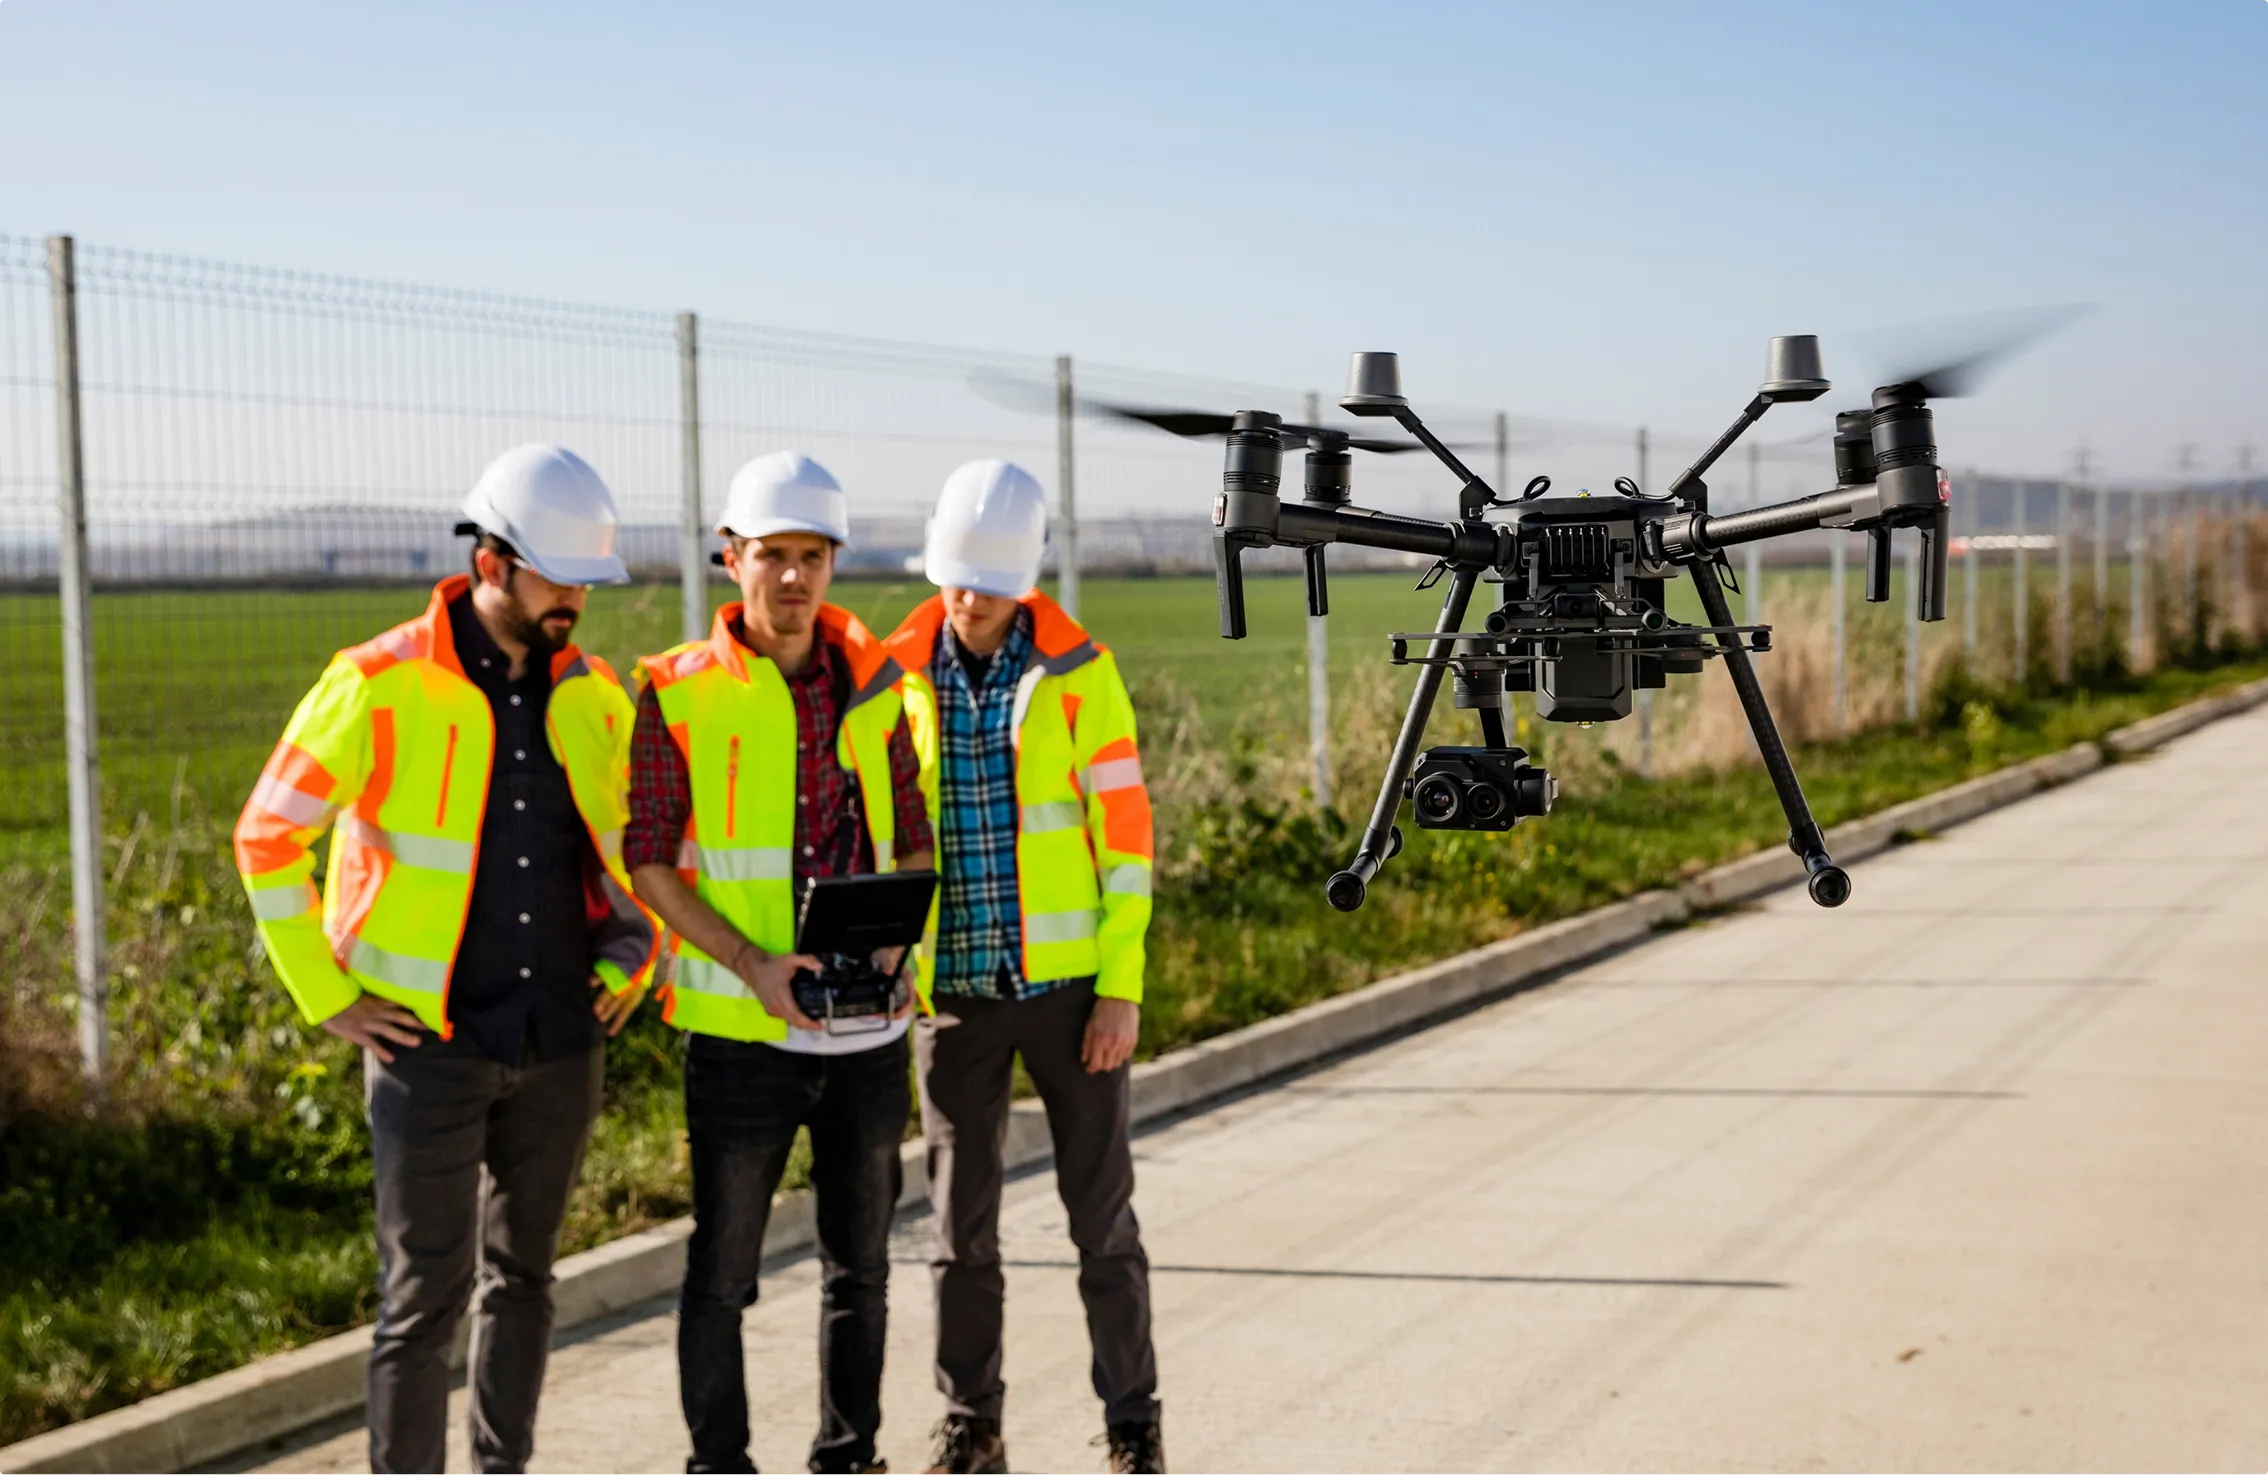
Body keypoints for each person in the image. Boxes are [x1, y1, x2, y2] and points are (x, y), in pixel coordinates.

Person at [232, 444, 659, 1474]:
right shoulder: (377, 682)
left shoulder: (597, 695)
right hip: (429, 1041)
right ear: (493, 558)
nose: (576, 600)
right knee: (422, 1298)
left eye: (587, 581)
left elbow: (629, 854)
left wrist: (628, 964)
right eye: (559, 576)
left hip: (563, 1035)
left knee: (528, 1278)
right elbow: (264, 835)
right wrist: (330, 994)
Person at [626, 451, 935, 1475]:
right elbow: (649, 860)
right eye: (771, 555)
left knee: (864, 1270)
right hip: (737, 1032)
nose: (792, 576)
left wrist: (895, 940)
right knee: (722, 1273)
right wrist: (755, 963)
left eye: (811, 554)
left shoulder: (882, 688)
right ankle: (721, 1463)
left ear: (834, 561)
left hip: (869, 1031)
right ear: (730, 559)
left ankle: (849, 1459)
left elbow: (917, 841)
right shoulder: (675, 691)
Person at [882, 461, 1163, 1475]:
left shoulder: (1082, 673)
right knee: (960, 1234)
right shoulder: (894, 672)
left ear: (1026, 579)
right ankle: (971, 1426)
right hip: (950, 996)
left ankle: (1133, 1423)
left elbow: (1125, 840)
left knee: (1102, 1223)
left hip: (1070, 996)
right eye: (956, 580)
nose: (970, 602)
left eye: (990, 585)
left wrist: (1122, 983)